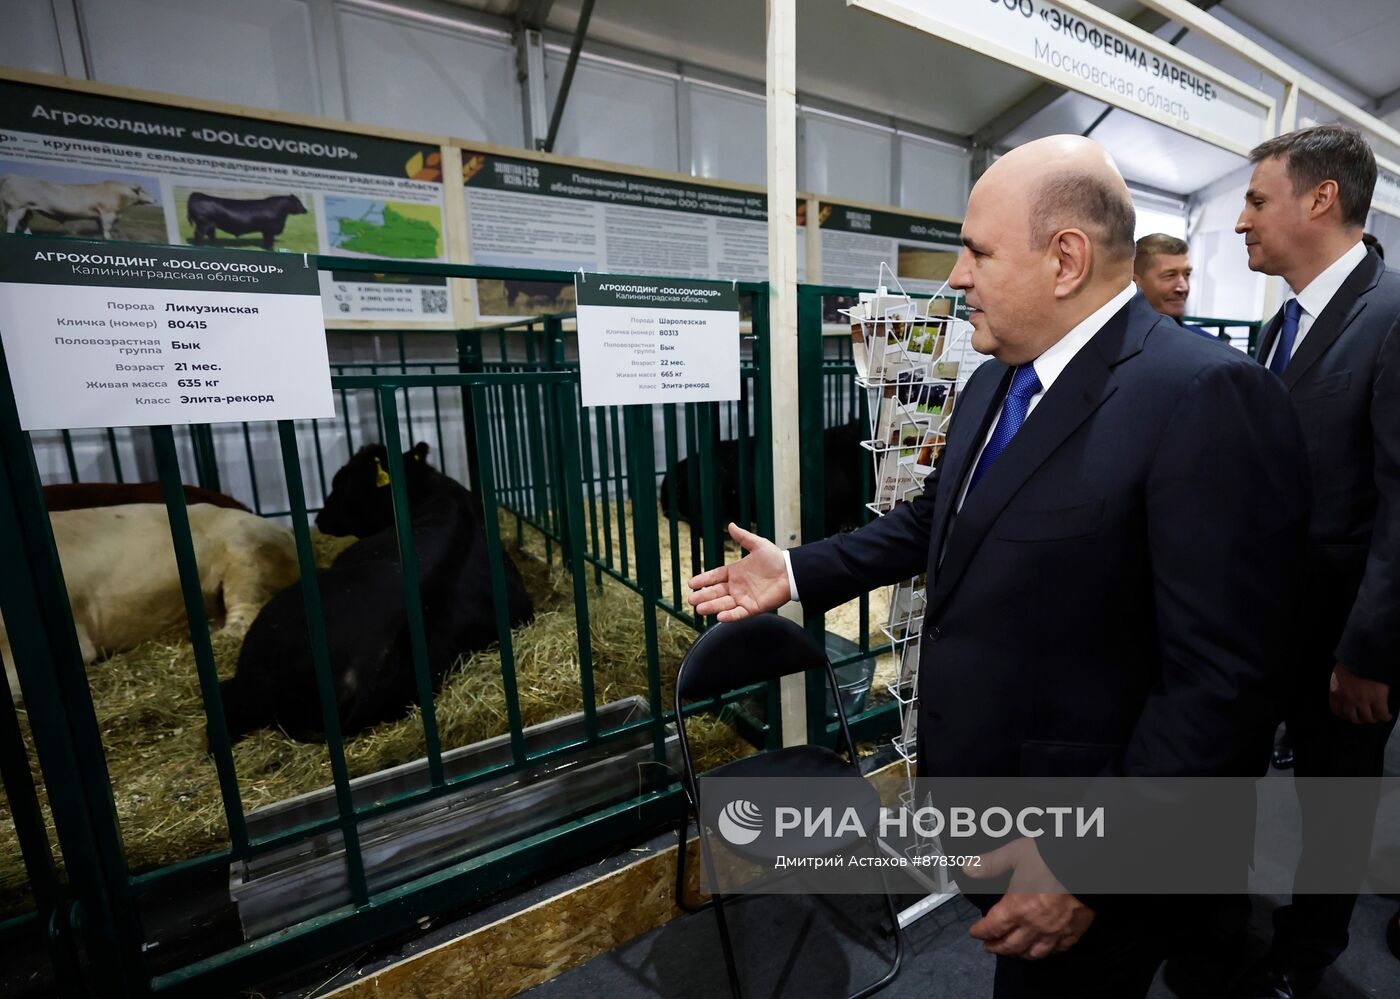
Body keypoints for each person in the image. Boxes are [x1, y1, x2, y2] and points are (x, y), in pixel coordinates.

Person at [688, 134, 1308, 999]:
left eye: (976, 251)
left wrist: (1086, 870)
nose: (955, 277)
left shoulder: (1202, 395)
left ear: (1065, 259)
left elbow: (1222, 682)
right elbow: (937, 519)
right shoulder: (994, 380)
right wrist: (795, 571)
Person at [1231, 123, 1400, 998]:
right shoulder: (1284, 324)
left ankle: (1308, 955)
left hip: (1344, 642)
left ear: (1321, 198)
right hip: (1269, 624)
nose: (1239, 221)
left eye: (1257, 199)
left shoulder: (1392, 315)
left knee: (1334, 806)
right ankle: (1231, 930)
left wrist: (1370, 653)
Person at [1133, 233, 1214, 338]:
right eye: (1170, 276)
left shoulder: (1208, 345)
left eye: (1187, 275)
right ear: (1135, 282)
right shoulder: (1111, 341)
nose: (1183, 287)